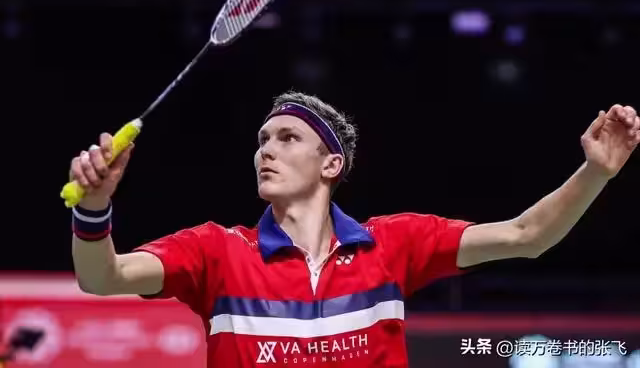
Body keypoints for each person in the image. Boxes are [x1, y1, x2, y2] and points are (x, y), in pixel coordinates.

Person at [69, 91, 640, 367]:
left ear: (331, 164)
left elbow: (526, 236)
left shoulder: (393, 244)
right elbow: (103, 277)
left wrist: (595, 172)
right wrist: (93, 208)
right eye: (262, 141)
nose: (266, 151)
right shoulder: (216, 250)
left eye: (287, 138)